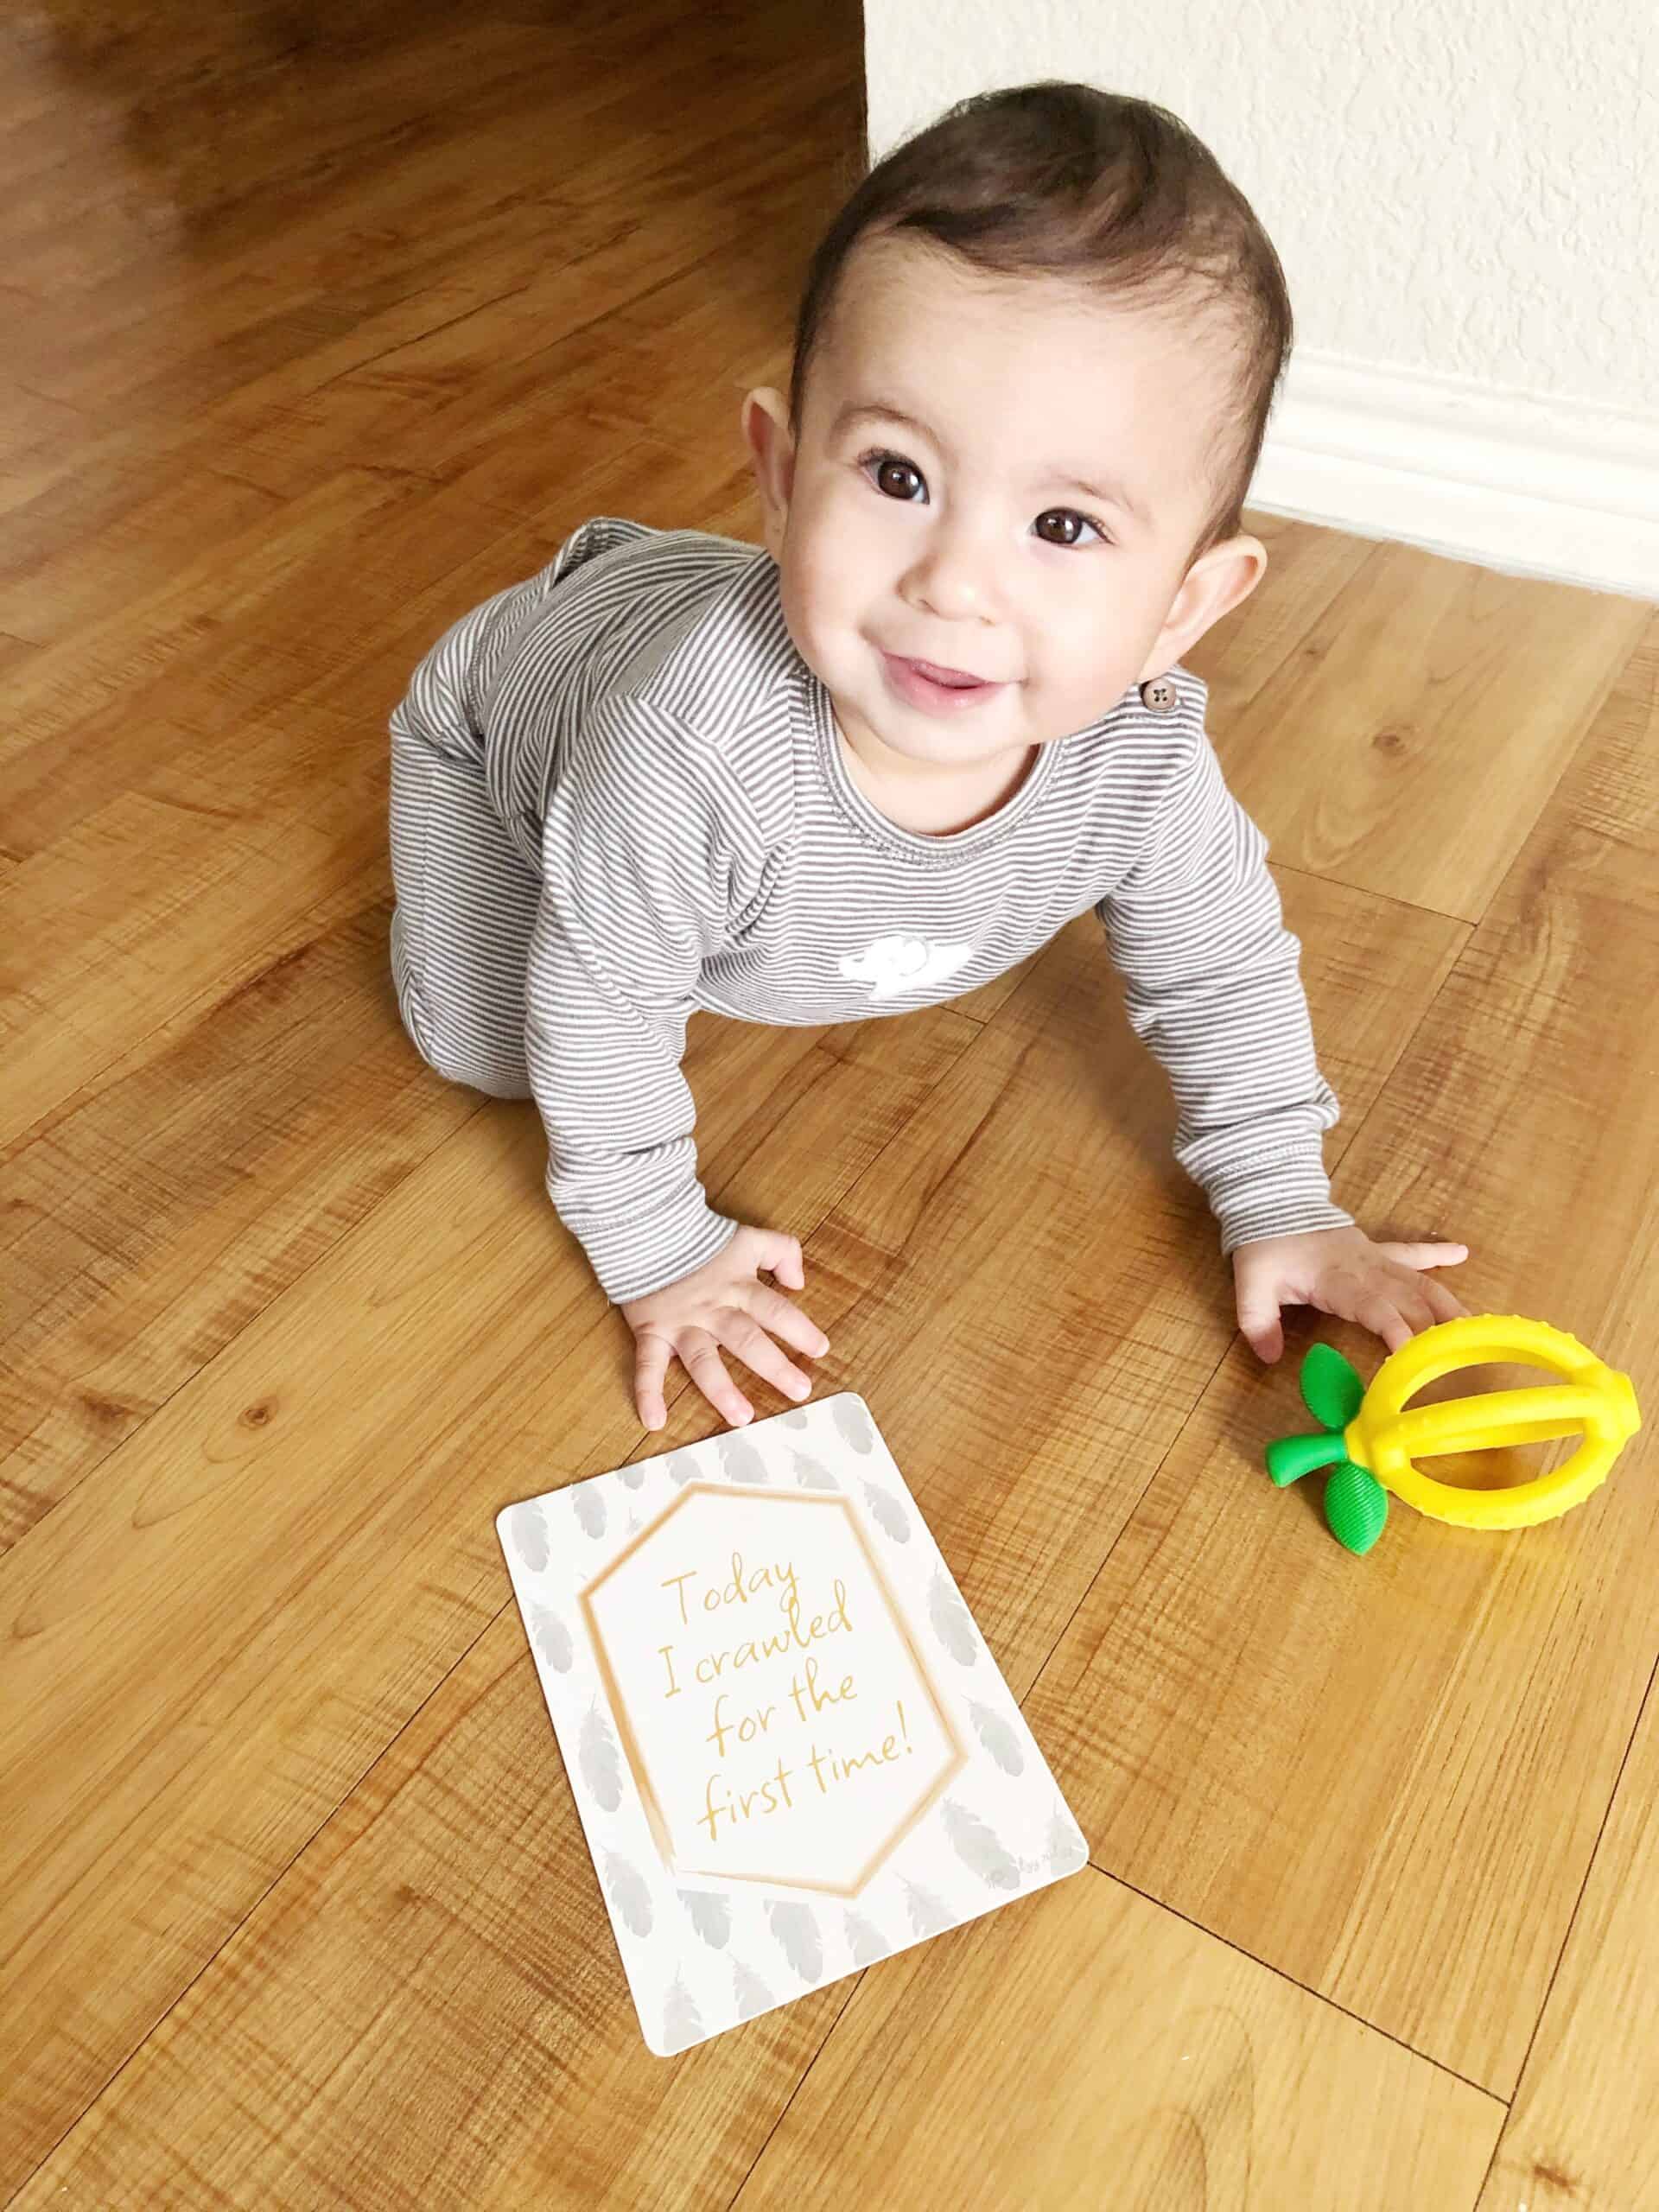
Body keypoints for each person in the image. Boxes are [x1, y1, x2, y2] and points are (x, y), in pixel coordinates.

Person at [387, 80, 1470, 1435]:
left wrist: (1281, 1197)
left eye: (1065, 528)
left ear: (1184, 609)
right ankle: (601, 616)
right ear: (782, 477)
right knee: (497, 1049)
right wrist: (660, 1246)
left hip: (704, 746)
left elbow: (1222, 964)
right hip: (505, 722)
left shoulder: (1138, 765)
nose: (955, 585)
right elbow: (601, 1013)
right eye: (897, 477)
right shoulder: (685, 755)